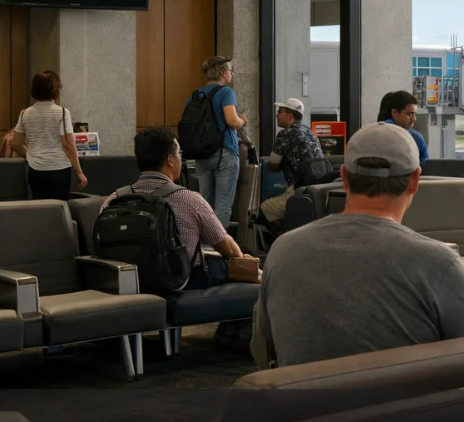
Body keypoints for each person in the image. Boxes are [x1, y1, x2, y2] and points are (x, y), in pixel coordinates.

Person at [252, 122, 464, 369]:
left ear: (343, 178)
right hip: (407, 421)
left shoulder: (283, 251)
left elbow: (263, 344)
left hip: (304, 420)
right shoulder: (435, 262)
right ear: (415, 180)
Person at [101, 128, 250, 289]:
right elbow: (227, 247)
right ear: (170, 160)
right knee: (238, 267)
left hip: (125, 283)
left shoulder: (113, 200)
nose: (181, 158)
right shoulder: (189, 199)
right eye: (180, 153)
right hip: (181, 281)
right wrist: (243, 259)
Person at [187, 56, 246, 225]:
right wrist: (242, 121)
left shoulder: (195, 95)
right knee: (223, 205)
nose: (232, 74)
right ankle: (220, 240)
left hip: (202, 153)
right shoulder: (226, 92)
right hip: (225, 152)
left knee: (206, 203)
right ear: (223, 73)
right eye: (231, 71)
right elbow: (232, 120)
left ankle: (206, 238)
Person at [9, 71, 87, 200]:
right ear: (55, 89)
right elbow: (67, 145)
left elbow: (16, 144)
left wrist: (30, 154)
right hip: (59, 169)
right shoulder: (62, 112)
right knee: (59, 207)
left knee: (40, 207)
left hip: (35, 169)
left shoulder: (25, 113)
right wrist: (79, 171)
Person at [259, 98, 324, 224]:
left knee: (263, 210)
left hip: (298, 190)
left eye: (280, 112)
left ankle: (280, 234)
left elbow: (272, 165)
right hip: (315, 189)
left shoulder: (285, 133)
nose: (276, 115)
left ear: (289, 115)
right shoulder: (310, 132)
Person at [377, 90, 429, 166]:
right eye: (409, 114)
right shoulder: (415, 137)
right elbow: (425, 164)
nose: (414, 119)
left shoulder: (374, 131)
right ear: (394, 112)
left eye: (414, 114)